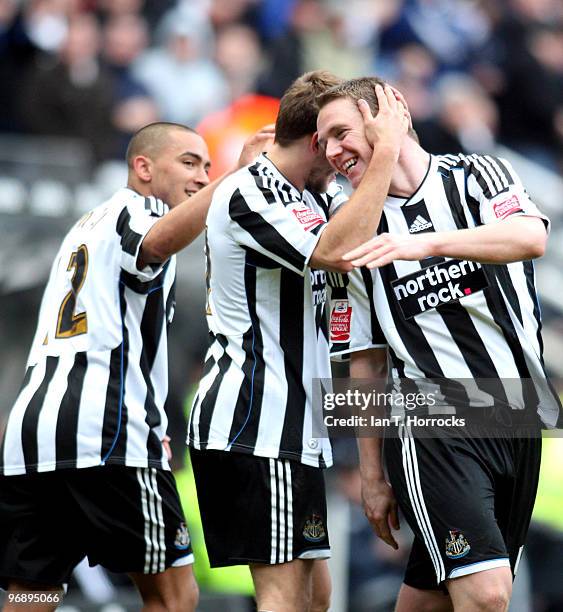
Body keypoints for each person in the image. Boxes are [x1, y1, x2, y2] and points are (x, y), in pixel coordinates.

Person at [0, 121, 273, 611]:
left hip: (34, 433)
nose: (201, 176)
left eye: (207, 166)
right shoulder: (137, 208)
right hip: (105, 429)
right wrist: (235, 177)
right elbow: (155, 242)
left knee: (35, 588)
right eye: (189, 163)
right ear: (143, 168)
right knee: (173, 595)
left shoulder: (87, 223)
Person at [316, 77, 562, 612]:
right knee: (488, 593)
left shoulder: (478, 172)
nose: (333, 152)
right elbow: (365, 357)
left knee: (433, 600)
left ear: (392, 112)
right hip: (434, 415)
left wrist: (421, 244)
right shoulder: (351, 230)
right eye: (324, 144)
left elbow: (531, 237)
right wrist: (373, 474)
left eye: (341, 132)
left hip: (517, 411)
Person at [187, 71, 409, 612]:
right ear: (317, 141)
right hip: (256, 419)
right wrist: (383, 156)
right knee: (285, 600)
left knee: (316, 598)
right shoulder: (253, 189)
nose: (340, 161)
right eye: (335, 142)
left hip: (293, 427)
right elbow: (335, 252)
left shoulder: (308, 197)